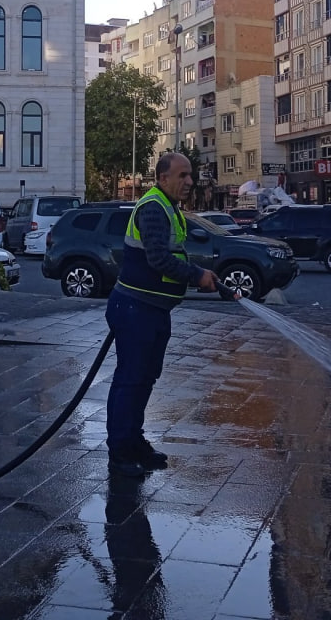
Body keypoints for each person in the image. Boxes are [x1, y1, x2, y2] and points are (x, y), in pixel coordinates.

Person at [105, 152, 218, 478]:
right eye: (182, 176)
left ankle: (133, 439)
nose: (189, 182)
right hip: (135, 309)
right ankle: (120, 450)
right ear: (162, 178)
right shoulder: (153, 208)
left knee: (144, 377)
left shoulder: (168, 208)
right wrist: (197, 275)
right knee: (130, 379)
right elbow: (157, 258)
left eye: (190, 176)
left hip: (151, 309)